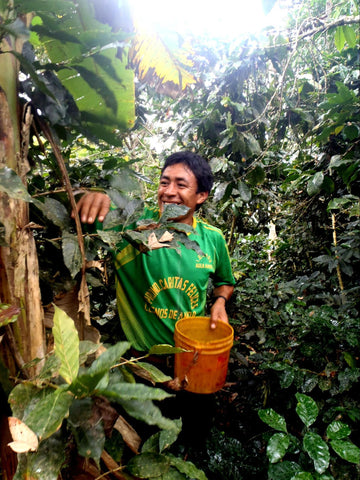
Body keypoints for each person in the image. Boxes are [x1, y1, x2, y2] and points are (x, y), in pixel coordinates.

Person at [74, 151, 235, 352]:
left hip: (192, 358)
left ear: (201, 196)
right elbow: (78, 207)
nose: (168, 192)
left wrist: (219, 301)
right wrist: (86, 197)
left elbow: (225, 282)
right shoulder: (132, 225)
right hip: (141, 363)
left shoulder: (213, 238)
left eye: (181, 185)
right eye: (164, 183)